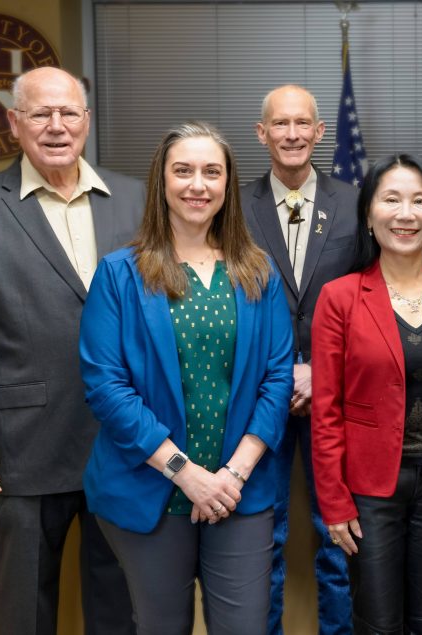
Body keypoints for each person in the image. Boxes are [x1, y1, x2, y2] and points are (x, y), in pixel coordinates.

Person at [0, 66, 138, 635]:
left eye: (68, 112)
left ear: (87, 122)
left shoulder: (138, 201)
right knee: (24, 610)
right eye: (40, 114)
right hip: (22, 454)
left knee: (121, 605)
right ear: (14, 124)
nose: (56, 126)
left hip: (125, 443)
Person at [78, 121, 294, 635]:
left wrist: (232, 476)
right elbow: (106, 387)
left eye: (211, 172)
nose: (198, 184)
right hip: (150, 490)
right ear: (162, 182)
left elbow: (277, 378)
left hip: (238, 493)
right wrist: (186, 473)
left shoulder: (257, 272)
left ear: (227, 185)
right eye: (184, 171)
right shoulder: (119, 274)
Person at [311, 153, 422, 634]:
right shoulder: (340, 297)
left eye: (420, 201)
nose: (405, 214)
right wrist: (333, 501)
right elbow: (326, 411)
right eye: (390, 199)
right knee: (376, 624)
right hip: (369, 491)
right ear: (369, 215)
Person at [241, 83, 358, 635]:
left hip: (338, 394)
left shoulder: (357, 203)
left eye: (302, 124)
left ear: (320, 131)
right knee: (262, 537)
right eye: (279, 125)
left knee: (339, 536)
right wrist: (282, 370)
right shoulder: (233, 207)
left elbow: (369, 297)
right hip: (255, 394)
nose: (292, 134)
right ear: (262, 134)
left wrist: (321, 367)